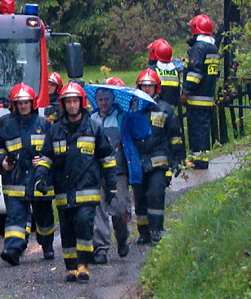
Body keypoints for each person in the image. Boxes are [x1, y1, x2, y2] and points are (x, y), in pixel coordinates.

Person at [35, 82, 117, 282]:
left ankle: (83, 264)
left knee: (84, 224)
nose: (72, 106)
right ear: (63, 104)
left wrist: (112, 184)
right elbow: (46, 158)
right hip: (63, 192)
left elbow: (107, 158)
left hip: (87, 190)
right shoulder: (55, 132)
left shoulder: (94, 129)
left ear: (82, 103)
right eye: (68, 102)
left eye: (75, 101)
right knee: (68, 231)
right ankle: (71, 267)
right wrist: (40, 178)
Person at [0, 84, 55, 265]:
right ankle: (13, 250)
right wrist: (2, 161)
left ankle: (47, 245)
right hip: (15, 179)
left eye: (26, 103)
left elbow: (54, 148)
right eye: (19, 103)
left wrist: (43, 160)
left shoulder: (44, 124)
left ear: (32, 104)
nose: (23, 106)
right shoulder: (6, 125)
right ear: (13, 105)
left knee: (43, 217)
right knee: (15, 217)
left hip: (39, 180)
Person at [131, 69, 184, 244]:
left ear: (156, 88)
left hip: (158, 161)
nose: (146, 89)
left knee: (155, 194)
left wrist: (176, 159)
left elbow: (175, 136)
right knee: (139, 199)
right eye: (143, 86)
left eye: (150, 86)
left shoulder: (165, 109)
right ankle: (143, 232)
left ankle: (156, 230)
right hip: (138, 162)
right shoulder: (133, 110)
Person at [90, 79, 131, 262]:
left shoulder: (123, 118)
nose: (104, 103)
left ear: (113, 99)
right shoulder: (91, 119)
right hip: (98, 172)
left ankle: (122, 239)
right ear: (96, 100)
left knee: (120, 209)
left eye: (107, 99)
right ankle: (101, 249)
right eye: (100, 99)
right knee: (98, 210)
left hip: (118, 171)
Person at [180, 14, 220, 169]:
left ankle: (198, 159)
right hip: (208, 95)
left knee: (196, 128)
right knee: (204, 127)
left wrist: (186, 91)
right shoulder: (213, 47)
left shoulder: (198, 48)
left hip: (196, 96)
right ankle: (202, 156)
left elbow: (195, 72)